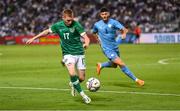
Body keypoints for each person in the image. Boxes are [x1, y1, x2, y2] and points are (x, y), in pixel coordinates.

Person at [26, 9, 91, 104]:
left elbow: (86, 38)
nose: (70, 22)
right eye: (68, 20)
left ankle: (73, 84)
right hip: (68, 54)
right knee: (72, 74)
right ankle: (83, 95)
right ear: (63, 18)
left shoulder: (76, 25)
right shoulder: (58, 26)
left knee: (81, 78)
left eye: (71, 19)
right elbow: (46, 32)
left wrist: (86, 44)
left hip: (80, 53)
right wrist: (34, 38)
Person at [92, 7, 144, 86]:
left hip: (115, 47)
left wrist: (124, 34)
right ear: (100, 15)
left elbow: (124, 29)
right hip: (106, 49)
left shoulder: (114, 22)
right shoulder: (97, 24)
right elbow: (94, 32)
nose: (104, 15)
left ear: (108, 14)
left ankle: (101, 65)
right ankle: (137, 80)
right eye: (102, 14)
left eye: (106, 14)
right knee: (121, 63)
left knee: (114, 65)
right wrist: (98, 41)